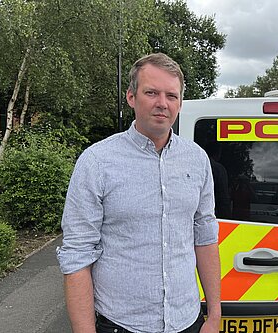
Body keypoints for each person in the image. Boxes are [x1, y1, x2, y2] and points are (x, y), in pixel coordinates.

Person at [57, 53, 221, 333]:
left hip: (188, 321)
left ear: (180, 103)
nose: (162, 103)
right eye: (151, 93)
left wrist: (215, 316)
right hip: (121, 324)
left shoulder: (197, 159)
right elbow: (77, 254)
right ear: (131, 97)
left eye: (171, 95)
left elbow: (205, 237)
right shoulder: (96, 162)